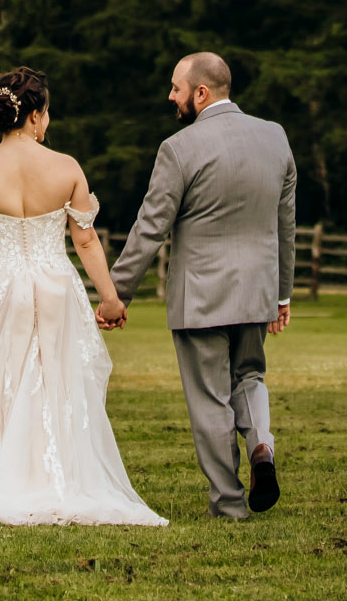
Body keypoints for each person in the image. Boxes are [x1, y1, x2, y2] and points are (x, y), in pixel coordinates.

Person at [0, 65, 166, 526]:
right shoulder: (66, 168)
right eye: (47, 113)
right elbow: (85, 241)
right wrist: (110, 299)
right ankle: (46, 476)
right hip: (54, 284)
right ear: (36, 115)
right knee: (52, 379)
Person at [108, 52, 296, 521]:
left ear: (201, 93)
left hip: (201, 297)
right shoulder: (275, 137)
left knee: (210, 396)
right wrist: (282, 293)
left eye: (175, 88)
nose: (170, 96)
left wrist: (116, 292)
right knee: (249, 376)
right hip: (256, 292)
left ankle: (230, 504)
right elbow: (285, 223)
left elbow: (150, 228)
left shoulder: (179, 149)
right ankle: (261, 447)